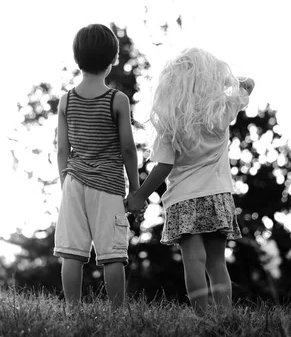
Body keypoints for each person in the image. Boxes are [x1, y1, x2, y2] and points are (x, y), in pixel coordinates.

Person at [126, 47, 255, 315]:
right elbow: (248, 85)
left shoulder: (171, 123)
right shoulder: (221, 111)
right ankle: (225, 318)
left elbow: (163, 167)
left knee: (194, 262)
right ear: (210, 80)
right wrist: (228, 82)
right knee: (217, 264)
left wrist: (140, 195)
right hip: (218, 196)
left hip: (184, 200)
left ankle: (202, 318)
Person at [54, 24, 140, 309]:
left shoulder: (66, 100)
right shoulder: (118, 100)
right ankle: (117, 314)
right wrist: (136, 190)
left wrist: (64, 183)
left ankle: (72, 311)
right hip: (108, 186)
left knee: (71, 253)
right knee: (113, 255)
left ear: (77, 59)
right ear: (113, 58)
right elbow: (128, 148)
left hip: (74, 182)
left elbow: (63, 150)